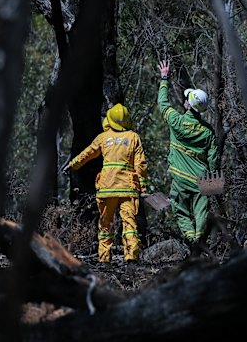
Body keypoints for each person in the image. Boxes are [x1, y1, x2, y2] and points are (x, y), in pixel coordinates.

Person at [63, 104, 148, 264]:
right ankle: (131, 257)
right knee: (129, 223)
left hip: (106, 188)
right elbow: (140, 165)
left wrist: (72, 165)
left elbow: (87, 153)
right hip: (127, 189)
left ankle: (104, 259)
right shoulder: (133, 137)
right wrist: (142, 187)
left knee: (105, 225)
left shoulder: (103, 138)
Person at [156, 60, 217, 249]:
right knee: (202, 212)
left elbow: (163, 104)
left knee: (180, 210)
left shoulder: (177, 121)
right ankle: (200, 241)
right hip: (201, 178)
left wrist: (164, 79)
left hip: (180, 179)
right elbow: (213, 160)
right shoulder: (208, 132)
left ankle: (191, 240)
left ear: (189, 106)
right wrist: (212, 183)